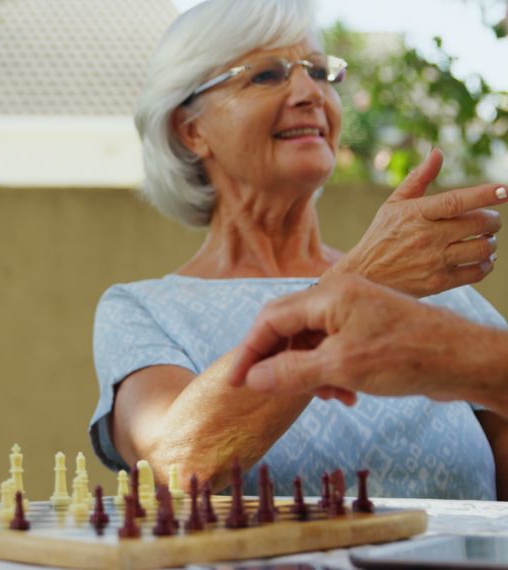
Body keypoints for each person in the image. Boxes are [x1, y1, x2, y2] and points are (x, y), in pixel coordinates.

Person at [89, 0, 508, 501]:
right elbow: (180, 464)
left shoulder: (429, 282)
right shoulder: (142, 311)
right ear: (191, 130)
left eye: (318, 70)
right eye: (266, 75)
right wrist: (363, 279)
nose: (311, 92)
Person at [227, 273, 508, 419]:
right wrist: (364, 271)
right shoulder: (180, 305)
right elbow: (189, 462)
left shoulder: (435, 280)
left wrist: (454, 355)